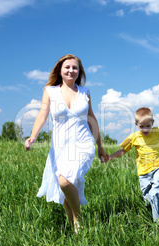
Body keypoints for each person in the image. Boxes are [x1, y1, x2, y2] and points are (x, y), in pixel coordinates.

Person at [25, 54, 108, 233]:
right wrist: (33, 136)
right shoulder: (50, 91)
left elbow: (91, 120)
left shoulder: (85, 93)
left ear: (79, 72)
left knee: (64, 181)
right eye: (67, 67)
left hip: (83, 144)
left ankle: (78, 219)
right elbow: (42, 114)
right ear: (60, 70)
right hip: (60, 147)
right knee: (67, 187)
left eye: (75, 68)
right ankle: (76, 232)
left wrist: (100, 147)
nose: (71, 70)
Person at [106, 107, 159, 224]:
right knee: (148, 200)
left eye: (148, 126)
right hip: (143, 174)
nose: (145, 129)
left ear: (152, 123)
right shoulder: (134, 137)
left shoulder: (158, 132)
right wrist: (109, 157)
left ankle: (158, 223)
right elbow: (123, 150)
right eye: (142, 126)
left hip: (158, 168)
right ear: (136, 124)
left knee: (155, 190)